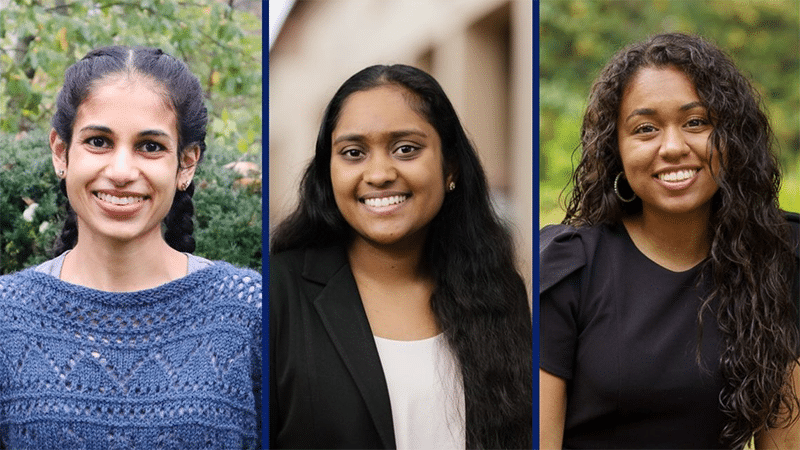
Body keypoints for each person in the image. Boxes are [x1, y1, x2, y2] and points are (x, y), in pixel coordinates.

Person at [539, 32, 800, 449]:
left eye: (696, 122)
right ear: (616, 150)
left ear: (732, 138)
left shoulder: (778, 255)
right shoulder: (567, 266)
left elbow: (786, 439)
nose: (674, 147)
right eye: (645, 129)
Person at [0, 46, 262, 449]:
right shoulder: (7, 316)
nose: (121, 172)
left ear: (187, 163)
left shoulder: (249, 312)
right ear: (60, 152)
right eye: (99, 141)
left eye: (150, 146)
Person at [270, 64, 532, 449]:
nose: (378, 174)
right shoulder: (277, 294)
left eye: (406, 149)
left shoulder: (499, 291)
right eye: (353, 153)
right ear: (328, 173)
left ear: (451, 167)